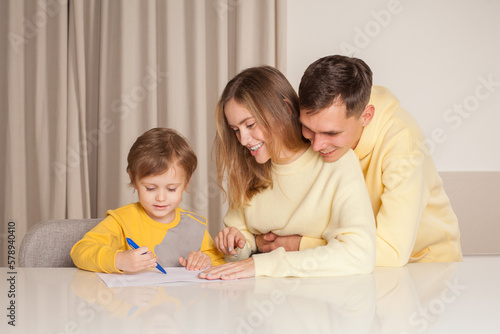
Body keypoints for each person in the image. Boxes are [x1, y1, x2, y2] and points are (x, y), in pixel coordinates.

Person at [257, 55, 462, 267]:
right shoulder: (318, 136)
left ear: (366, 116)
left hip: (425, 266)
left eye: (331, 133)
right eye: (308, 128)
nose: (316, 146)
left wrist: (299, 245)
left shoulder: (404, 144)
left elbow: (391, 253)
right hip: (354, 263)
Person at [199, 66, 376, 280]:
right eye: (236, 130)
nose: (243, 140)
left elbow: (359, 254)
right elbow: (242, 249)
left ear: (284, 108)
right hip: (260, 296)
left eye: (250, 125)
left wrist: (267, 263)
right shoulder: (248, 166)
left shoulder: (339, 163)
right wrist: (236, 244)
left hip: (322, 298)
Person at [71, 127, 225, 273]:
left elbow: (220, 263)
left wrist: (206, 261)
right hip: (136, 299)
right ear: (133, 179)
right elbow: (81, 251)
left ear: (186, 182)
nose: (161, 197)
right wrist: (118, 260)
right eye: (150, 188)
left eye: (171, 189)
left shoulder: (195, 225)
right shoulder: (122, 220)